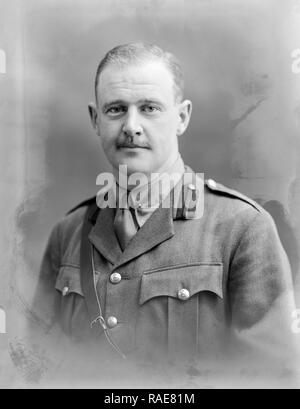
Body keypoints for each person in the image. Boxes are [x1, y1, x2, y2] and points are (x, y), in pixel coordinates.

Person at [32, 43, 298, 383]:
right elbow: (37, 369)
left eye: (149, 108)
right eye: (115, 109)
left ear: (182, 117)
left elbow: (269, 378)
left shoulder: (242, 228)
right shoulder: (67, 233)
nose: (131, 125)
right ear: (95, 119)